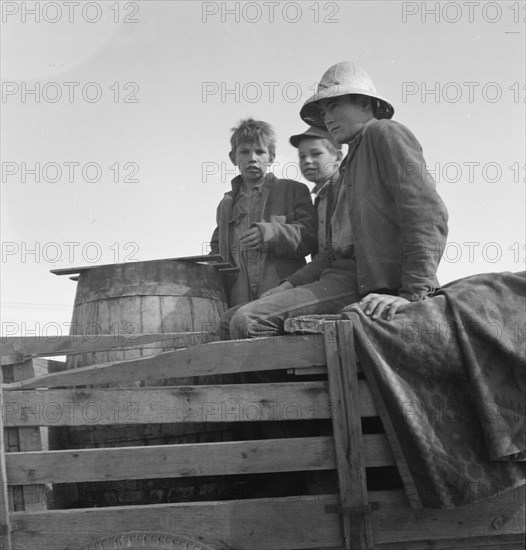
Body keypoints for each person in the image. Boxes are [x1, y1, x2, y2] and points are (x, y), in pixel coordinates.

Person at [227, 62, 449, 339]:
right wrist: (289, 285)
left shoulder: (385, 133)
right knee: (228, 319)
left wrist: (413, 294)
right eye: (323, 111)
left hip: (367, 281)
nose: (327, 117)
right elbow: (333, 253)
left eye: (334, 106)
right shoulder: (346, 169)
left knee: (246, 320)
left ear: (365, 104)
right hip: (340, 277)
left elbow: (427, 214)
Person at [209, 118, 317, 311]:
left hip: (282, 295)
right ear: (233, 157)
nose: (252, 158)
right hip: (238, 299)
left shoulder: (293, 191)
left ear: (272, 156)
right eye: (244, 152)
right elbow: (218, 250)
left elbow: (310, 237)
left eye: (260, 151)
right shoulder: (225, 205)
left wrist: (270, 234)